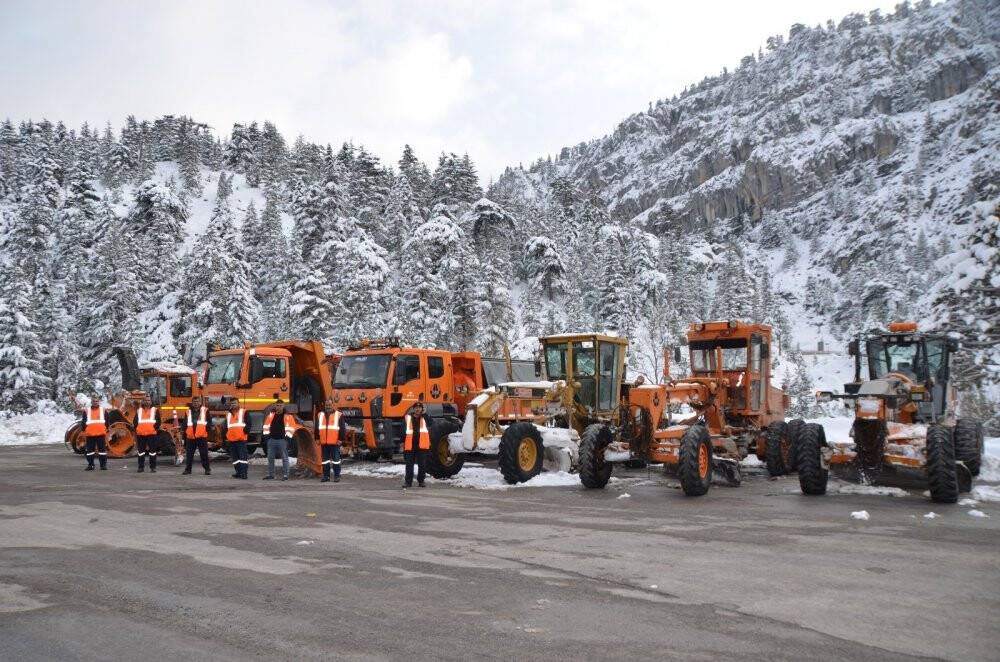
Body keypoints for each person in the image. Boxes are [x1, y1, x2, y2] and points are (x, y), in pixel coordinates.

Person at [262, 398, 296, 481]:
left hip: (282, 441)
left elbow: (292, 427)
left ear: (283, 406)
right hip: (271, 440)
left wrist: (287, 439)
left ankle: (285, 475)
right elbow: (265, 426)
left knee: (284, 458)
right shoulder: (271, 415)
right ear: (275, 406)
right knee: (270, 458)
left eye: (280, 405)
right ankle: (271, 475)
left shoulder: (288, 416)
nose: (279, 407)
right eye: (277, 405)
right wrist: (267, 438)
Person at [316, 399, 347, 483]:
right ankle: (326, 476)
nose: (328, 406)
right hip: (324, 442)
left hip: (335, 442)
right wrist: (317, 438)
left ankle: (337, 476)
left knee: (336, 460)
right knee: (325, 460)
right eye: (326, 405)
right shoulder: (320, 415)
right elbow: (317, 428)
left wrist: (341, 439)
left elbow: (342, 429)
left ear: (333, 405)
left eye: (329, 405)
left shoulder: (339, 415)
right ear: (324, 405)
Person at [402, 401, 431, 488]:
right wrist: (401, 441)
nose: (418, 409)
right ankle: (408, 482)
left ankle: (421, 481)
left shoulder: (425, 418)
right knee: (409, 465)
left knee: (422, 465)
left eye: (419, 408)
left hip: (422, 445)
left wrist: (425, 414)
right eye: (416, 408)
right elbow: (402, 430)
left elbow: (431, 423)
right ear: (413, 409)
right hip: (410, 445)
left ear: (422, 409)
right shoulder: (408, 418)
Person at [181, 396, 213, 475]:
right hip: (191, 436)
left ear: (200, 402)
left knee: (204, 454)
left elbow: (209, 423)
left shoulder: (205, 410)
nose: (196, 403)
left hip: (201, 436)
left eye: (197, 401)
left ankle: (207, 469)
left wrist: (205, 431)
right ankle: (188, 470)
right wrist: (185, 431)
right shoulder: (188, 411)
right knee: (189, 455)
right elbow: (185, 423)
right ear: (192, 403)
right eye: (194, 402)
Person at [79, 394, 111, 471]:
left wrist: (105, 429)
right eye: (94, 401)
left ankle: (103, 465)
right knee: (90, 451)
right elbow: (83, 422)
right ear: (91, 402)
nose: (95, 402)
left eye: (97, 401)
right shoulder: (87, 411)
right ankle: (91, 465)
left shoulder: (103, 410)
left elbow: (107, 422)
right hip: (90, 435)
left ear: (98, 402)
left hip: (100, 434)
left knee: (102, 451)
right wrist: (84, 430)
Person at [133, 396, 161, 473]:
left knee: (152, 452)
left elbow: (158, 421)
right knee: (141, 452)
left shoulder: (155, 410)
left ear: (151, 401)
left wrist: (153, 428)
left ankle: (153, 467)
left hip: (151, 434)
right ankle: (141, 467)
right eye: (145, 400)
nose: (147, 401)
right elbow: (135, 422)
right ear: (143, 402)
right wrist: (138, 429)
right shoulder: (139, 410)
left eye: (148, 400)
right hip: (141, 434)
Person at [223, 398, 249, 479]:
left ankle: (244, 473)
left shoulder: (244, 412)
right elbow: (225, 426)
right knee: (235, 458)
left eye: (235, 403)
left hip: (241, 439)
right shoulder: (228, 414)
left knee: (242, 458)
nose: (233, 405)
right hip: (232, 439)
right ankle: (238, 472)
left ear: (238, 403)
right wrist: (227, 435)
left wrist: (244, 432)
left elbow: (248, 424)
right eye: (232, 403)